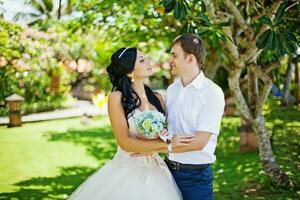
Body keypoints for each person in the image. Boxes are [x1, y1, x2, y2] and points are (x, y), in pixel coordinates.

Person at [67, 47, 194, 200]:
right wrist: (167, 145)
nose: (148, 62)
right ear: (129, 71)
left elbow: (165, 134)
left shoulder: (158, 98)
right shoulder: (116, 98)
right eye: (141, 60)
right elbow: (125, 143)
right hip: (127, 170)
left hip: (157, 172)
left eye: (146, 57)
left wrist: (162, 143)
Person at [164, 33, 225, 200]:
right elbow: (165, 130)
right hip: (165, 171)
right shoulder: (171, 90)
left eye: (174, 55)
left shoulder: (212, 93)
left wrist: (156, 147)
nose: (170, 61)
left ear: (190, 59)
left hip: (195, 177)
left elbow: (199, 142)